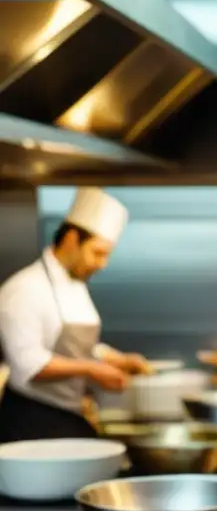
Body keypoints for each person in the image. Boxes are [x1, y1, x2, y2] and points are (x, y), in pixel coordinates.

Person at [0, 187, 151, 442]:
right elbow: (29, 363)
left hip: (67, 413)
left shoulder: (75, 285)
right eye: (98, 252)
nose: (102, 264)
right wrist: (93, 369)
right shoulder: (24, 289)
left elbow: (71, 347)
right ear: (72, 239)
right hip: (32, 419)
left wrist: (113, 358)